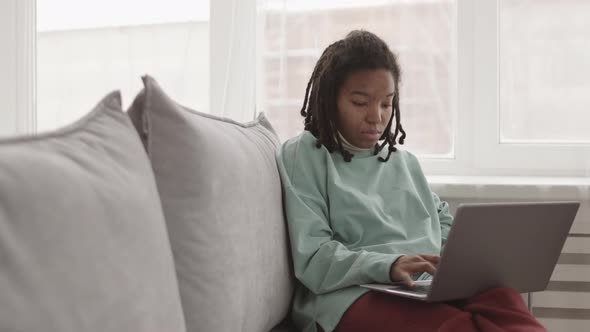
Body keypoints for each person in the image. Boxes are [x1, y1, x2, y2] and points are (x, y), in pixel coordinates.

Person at [275, 30, 546, 332]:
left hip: (423, 285)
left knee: (507, 303)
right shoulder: (305, 154)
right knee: (456, 326)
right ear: (330, 99)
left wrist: (474, 260)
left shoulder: (403, 162)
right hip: (350, 293)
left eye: (387, 104)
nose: (376, 117)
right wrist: (389, 266)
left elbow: (440, 224)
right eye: (360, 102)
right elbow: (313, 257)